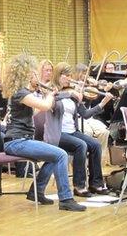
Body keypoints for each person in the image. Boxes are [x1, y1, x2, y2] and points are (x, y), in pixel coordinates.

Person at [2, 53, 86, 211]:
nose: (36, 76)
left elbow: (33, 111)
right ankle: (66, 199)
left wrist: (49, 96)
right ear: (27, 73)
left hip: (20, 140)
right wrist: (48, 96)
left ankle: (36, 191)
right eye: (34, 73)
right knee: (61, 154)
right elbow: (45, 107)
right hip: (17, 141)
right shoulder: (21, 92)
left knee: (54, 156)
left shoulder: (21, 92)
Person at [45, 62, 113, 196]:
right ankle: (79, 186)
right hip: (57, 134)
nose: (68, 78)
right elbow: (52, 99)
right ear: (58, 75)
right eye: (65, 75)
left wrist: (102, 103)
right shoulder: (50, 91)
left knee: (95, 145)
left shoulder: (73, 94)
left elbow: (85, 115)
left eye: (70, 75)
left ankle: (96, 184)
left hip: (72, 132)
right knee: (81, 145)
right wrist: (70, 93)